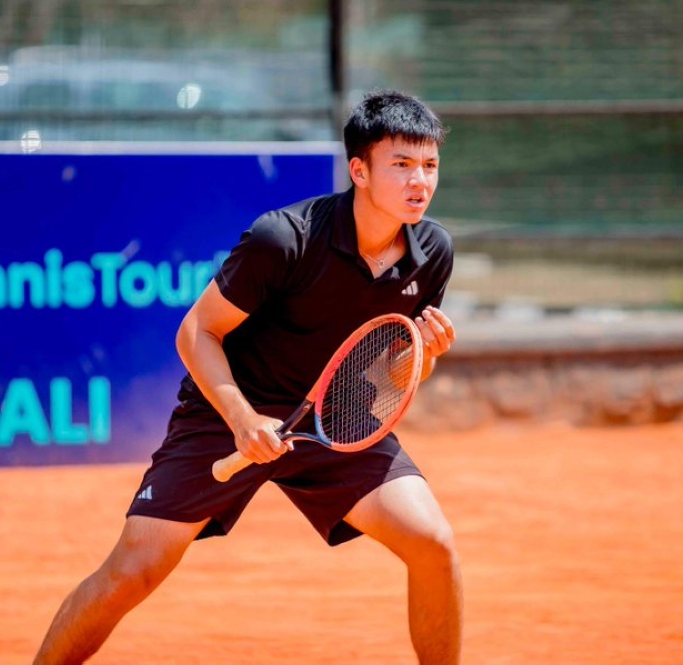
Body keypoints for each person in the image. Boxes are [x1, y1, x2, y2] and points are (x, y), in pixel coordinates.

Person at [33, 89, 463, 665]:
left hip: (337, 417)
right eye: (402, 164)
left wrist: (426, 355)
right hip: (228, 410)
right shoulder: (283, 238)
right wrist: (241, 419)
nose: (420, 181)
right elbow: (196, 333)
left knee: (433, 543)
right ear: (359, 170)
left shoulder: (433, 250)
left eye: (429, 165)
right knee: (134, 570)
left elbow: (395, 372)